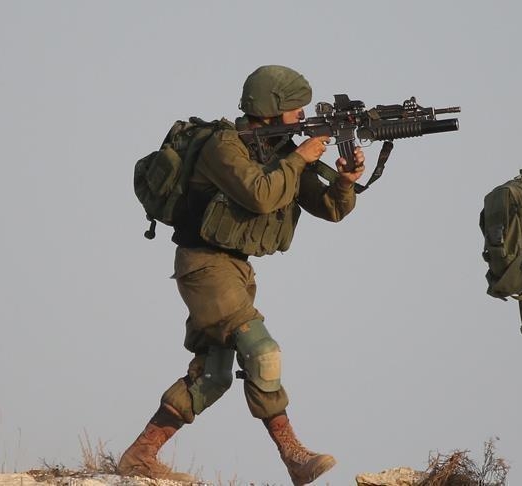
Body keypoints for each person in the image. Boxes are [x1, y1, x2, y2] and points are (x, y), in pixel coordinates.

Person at [117, 65, 365, 485]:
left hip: (237, 270)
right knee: (262, 351)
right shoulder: (224, 146)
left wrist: (344, 181)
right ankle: (294, 456)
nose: (303, 114)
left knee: (213, 375)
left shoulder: (281, 150)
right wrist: (299, 158)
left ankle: (139, 456)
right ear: (271, 107)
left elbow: (330, 209)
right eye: (296, 106)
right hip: (204, 265)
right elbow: (261, 195)